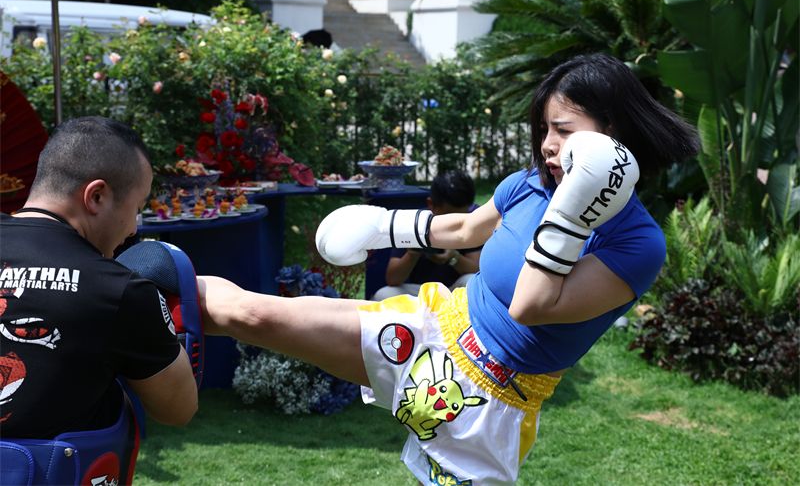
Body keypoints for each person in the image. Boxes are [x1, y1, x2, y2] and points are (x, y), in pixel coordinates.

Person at [198, 53, 700, 484]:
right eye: (545, 128)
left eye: (563, 130)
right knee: (254, 315)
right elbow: (463, 229)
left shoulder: (638, 244)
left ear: (613, 135)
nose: (548, 143)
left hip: (490, 401)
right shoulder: (530, 184)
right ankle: (158, 291)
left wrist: (573, 211)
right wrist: (384, 226)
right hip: (431, 329)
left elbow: (530, 305)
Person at [0, 116, 198, 485]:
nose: (134, 227)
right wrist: (171, 321)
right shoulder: (119, 291)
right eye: (136, 207)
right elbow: (178, 409)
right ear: (97, 196)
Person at [372, 170, 482, 301]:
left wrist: (454, 258)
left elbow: (477, 271)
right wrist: (413, 253)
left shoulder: (471, 222)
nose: (454, 221)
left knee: (471, 281)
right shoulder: (415, 223)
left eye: (460, 216)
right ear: (431, 205)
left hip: (454, 292)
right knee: (383, 294)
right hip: (421, 293)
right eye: (448, 215)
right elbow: (393, 279)